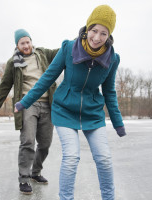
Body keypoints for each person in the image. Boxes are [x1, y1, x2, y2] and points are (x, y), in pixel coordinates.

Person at [14, 5, 126, 200]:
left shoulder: (112, 59)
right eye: (94, 30)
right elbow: (47, 78)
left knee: (105, 159)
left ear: (109, 36)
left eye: (103, 33)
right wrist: (25, 101)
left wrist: (118, 122)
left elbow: (109, 92)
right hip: (64, 110)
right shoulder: (68, 48)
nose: (97, 37)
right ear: (87, 28)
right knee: (72, 157)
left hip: (92, 113)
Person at [0, 29, 58, 195]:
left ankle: (36, 172)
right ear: (17, 45)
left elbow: (61, 52)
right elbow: (4, 86)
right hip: (27, 104)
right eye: (22, 43)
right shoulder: (13, 63)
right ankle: (24, 178)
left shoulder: (42, 54)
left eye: (28, 42)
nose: (26, 46)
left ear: (31, 41)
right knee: (27, 141)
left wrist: (79, 41)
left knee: (45, 143)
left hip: (48, 103)